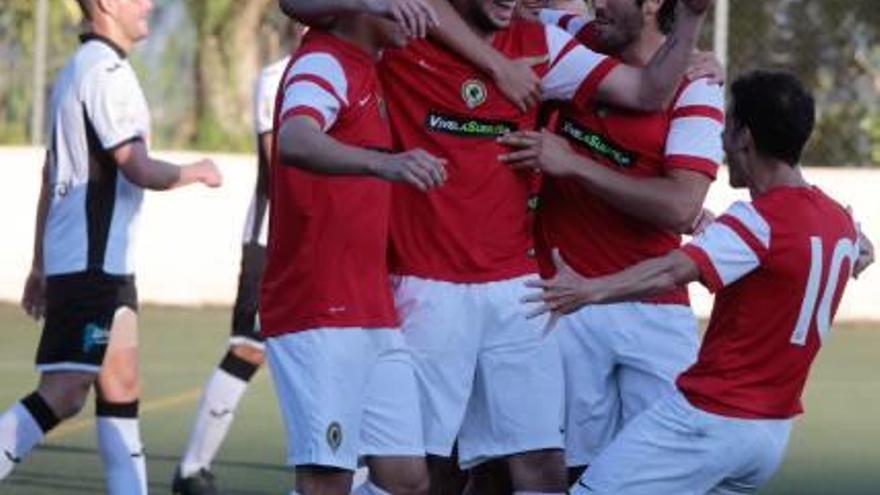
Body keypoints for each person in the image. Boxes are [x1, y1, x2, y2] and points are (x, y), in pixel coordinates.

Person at [280, 0, 714, 493]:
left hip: (518, 291)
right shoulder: (404, 35)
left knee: (543, 467)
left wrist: (694, 25)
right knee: (422, 472)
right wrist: (494, 66)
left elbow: (646, 89)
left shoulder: (542, 43)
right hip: (424, 286)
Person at [522, 69, 875, 494]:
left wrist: (588, 289)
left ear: (745, 137)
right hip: (770, 435)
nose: (722, 141)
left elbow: (672, 270)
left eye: (727, 127)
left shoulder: (759, 220)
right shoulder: (838, 220)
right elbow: (862, 251)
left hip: (708, 420)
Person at [0, 0, 222, 493]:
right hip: (91, 266)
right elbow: (136, 165)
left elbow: (51, 174)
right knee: (64, 392)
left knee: (120, 386)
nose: (149, 4)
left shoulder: (82, 68)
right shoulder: (106, 71)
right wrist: (196, 172)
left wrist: (39, 262)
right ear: (106, 4)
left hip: (99, 264)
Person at [500, 0, 724, 482]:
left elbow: (681, 206)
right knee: (549, 469)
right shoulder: (570, 35)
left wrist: (576, 163)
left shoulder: (696, 86)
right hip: (561, 299)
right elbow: (509, 13)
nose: (596, 3)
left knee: (661, 472)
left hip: (653, 304)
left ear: (652, 6)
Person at [260, 4, 450, 494]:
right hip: (318, 309)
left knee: (406, 481)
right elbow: (296, 139)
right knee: (327, 481)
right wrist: (382, 165)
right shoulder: (323, 61)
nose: (416, 14)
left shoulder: (372, 66)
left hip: (370, 310)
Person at [172, 21, 305, 495]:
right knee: (249, 349)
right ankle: (191, 469)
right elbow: (281, 168)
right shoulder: (278, 77)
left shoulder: (363, 72)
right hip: (275, 239)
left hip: (331, 245)